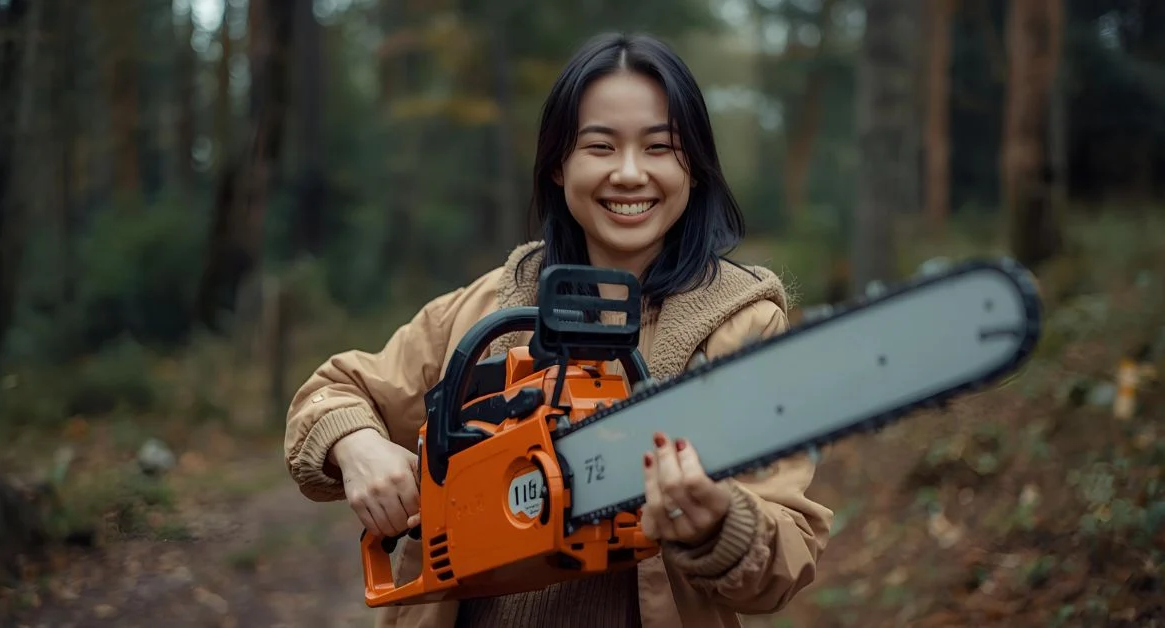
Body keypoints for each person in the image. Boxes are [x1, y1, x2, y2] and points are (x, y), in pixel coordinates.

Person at [284, 31, 834, 628]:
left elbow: (786, 552)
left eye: (659, 147)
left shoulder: (743, 328)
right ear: (556, 165)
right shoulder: (490, 305)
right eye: (600, 146)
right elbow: (332, 391)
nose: (629, 174)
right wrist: (357, 445)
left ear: (694, 168)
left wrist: (720, 522)